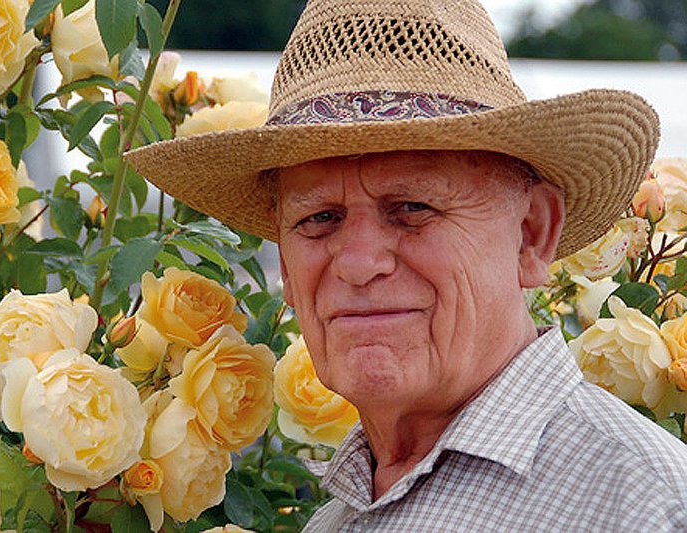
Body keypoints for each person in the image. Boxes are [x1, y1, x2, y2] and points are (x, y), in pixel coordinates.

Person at [128, 0, 687, 530]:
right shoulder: (337, 516)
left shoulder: (649, 506)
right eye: (319, 218)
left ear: (531, 234)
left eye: (413, 208)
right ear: (288, 270)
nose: (358, 263)